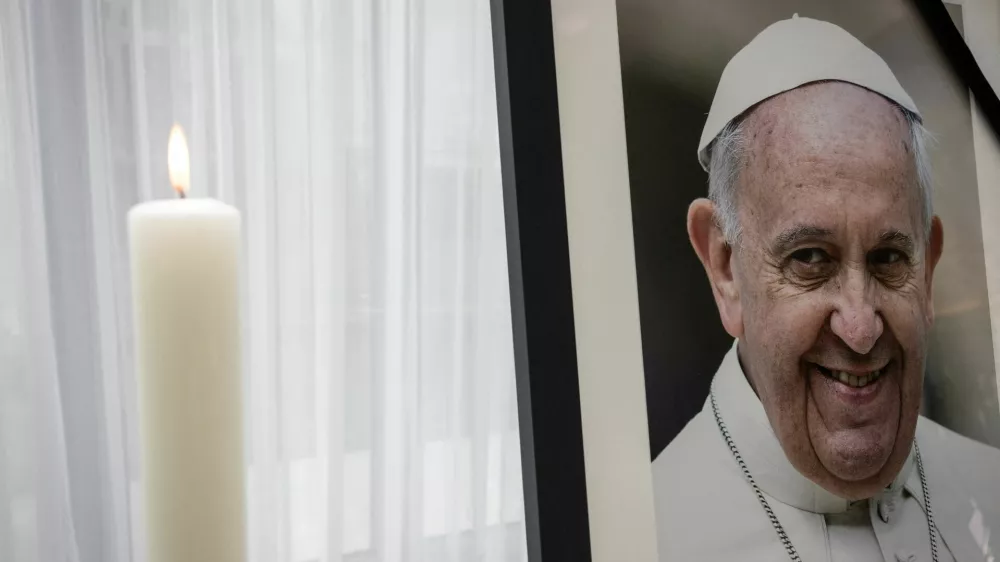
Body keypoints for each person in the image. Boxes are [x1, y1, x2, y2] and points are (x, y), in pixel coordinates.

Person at [652, 15, 1000, 562]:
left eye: (889, 259)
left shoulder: (992, 491)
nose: (860, 329)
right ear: (725, 267)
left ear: (928, 269)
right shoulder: (645, 537)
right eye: (810, 259)